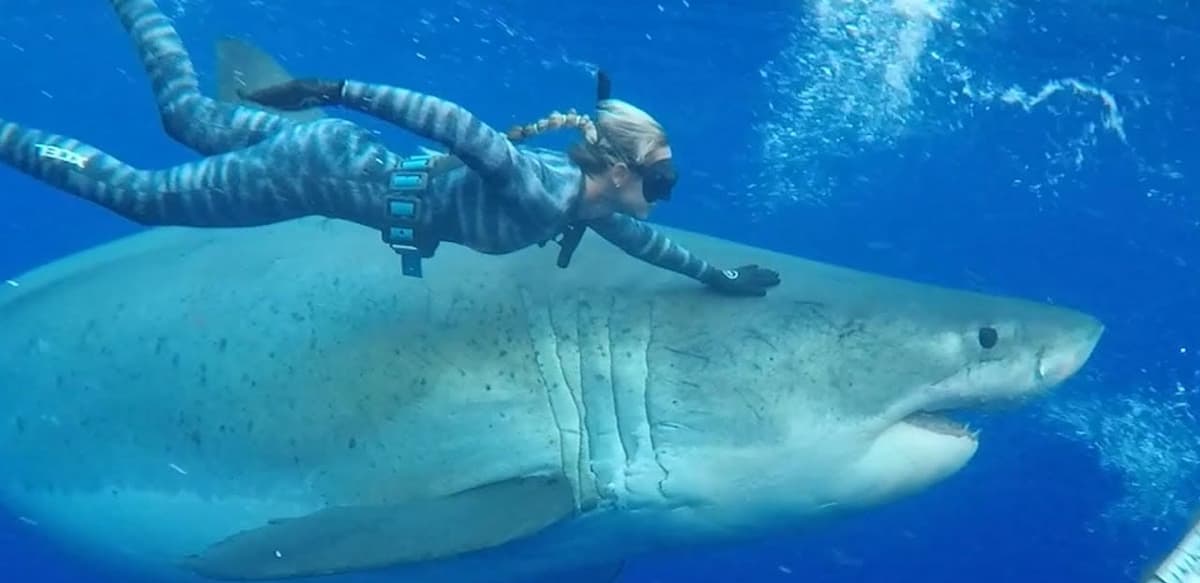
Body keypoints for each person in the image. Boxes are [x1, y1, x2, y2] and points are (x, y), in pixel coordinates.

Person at [0, 0, 781, 296]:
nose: (666, 191)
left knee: (186, 117)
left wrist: (718, 277)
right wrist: (334, 86)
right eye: (663, 177)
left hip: (336, 151)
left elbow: (649, 244)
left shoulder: (589, 204)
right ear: (618, 169)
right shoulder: (539, 193)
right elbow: (452, 122)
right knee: (137, 195)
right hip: (306, 174)